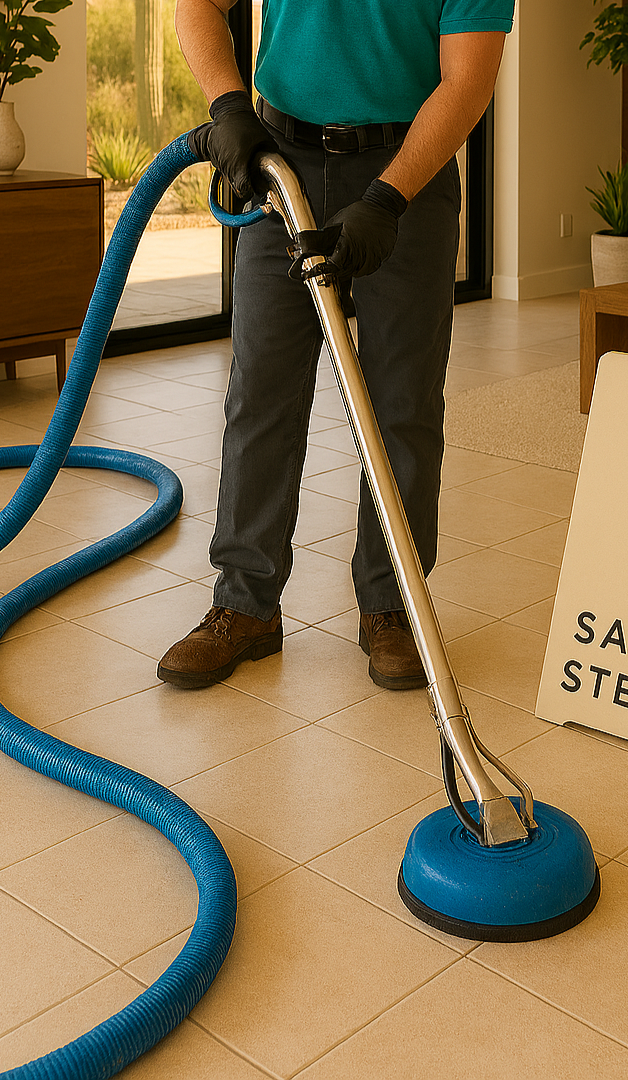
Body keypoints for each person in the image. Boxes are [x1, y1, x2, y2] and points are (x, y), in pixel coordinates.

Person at [157, 0, 514, 691]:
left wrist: (388, 200)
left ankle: (392, 605)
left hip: (410, 161)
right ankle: (244, 606)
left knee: (402, 403)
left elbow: (468, 79)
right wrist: (230, 107)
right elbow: (198, 5)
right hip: (280, 161)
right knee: (260, 392)